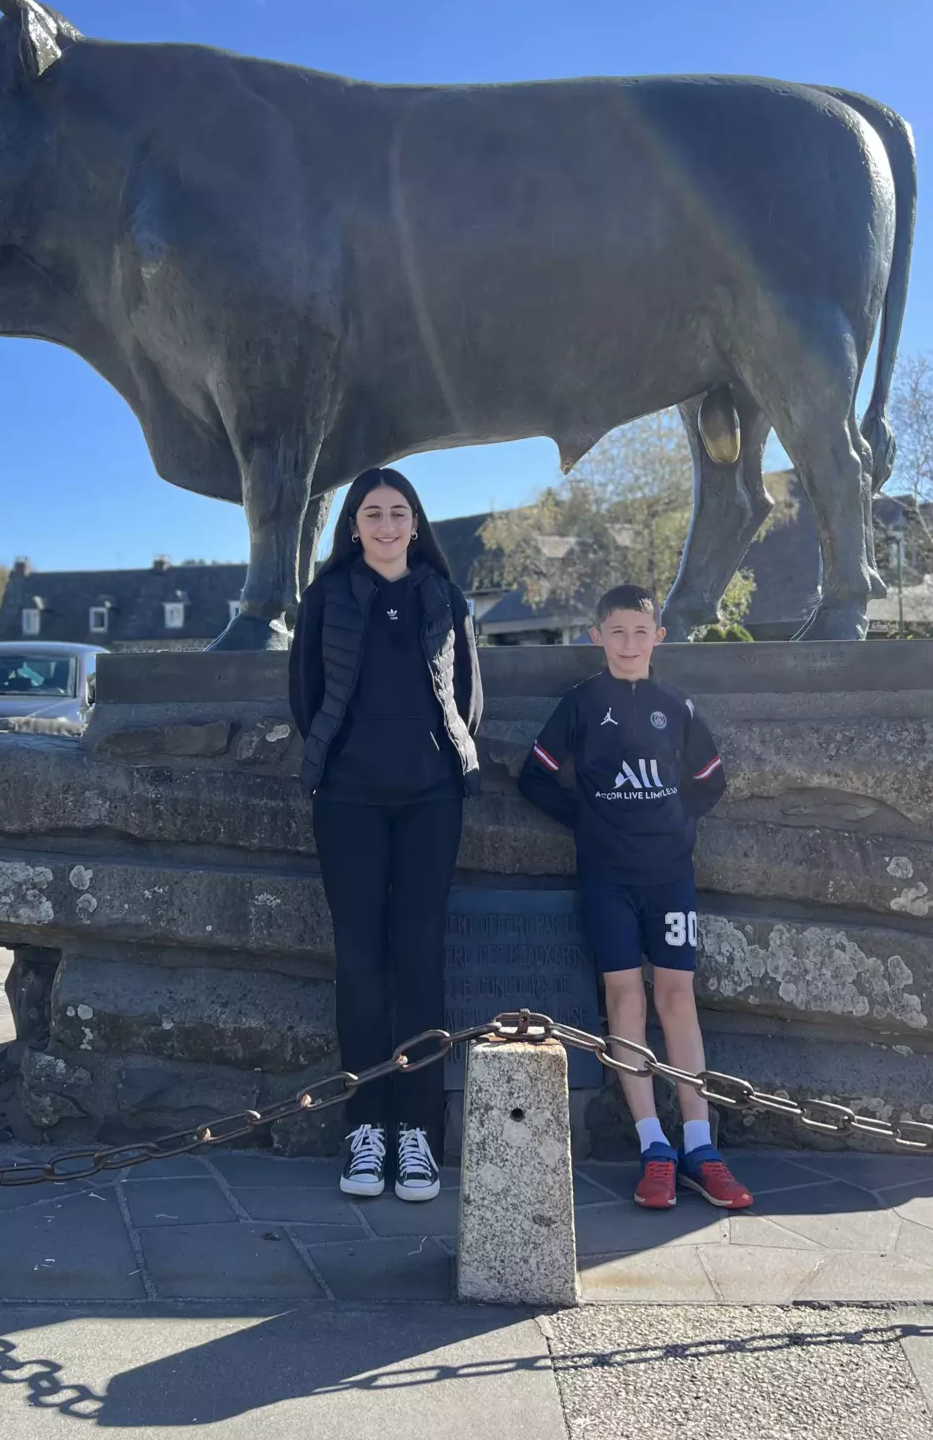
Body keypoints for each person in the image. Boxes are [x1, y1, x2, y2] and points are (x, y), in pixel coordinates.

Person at [517, 584, 753, 1212]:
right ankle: (654, 1147)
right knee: (624, 997)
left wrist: (679, 825)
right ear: (597, 637)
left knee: (676, 997)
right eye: (615, 632)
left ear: (658, 639)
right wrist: (587, 820)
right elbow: (534, 777)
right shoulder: (580, 704)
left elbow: (711, 780)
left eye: (639, 632)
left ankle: (700, 1146)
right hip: (606, 878)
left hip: (669, 875)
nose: (627, 643)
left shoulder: (675, 705)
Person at [289, 466, 482, 1202]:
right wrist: (337, 766)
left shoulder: (443, 595)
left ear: (416, 522)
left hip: (432, 802)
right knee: (361, 966)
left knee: (421, 963)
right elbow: (306, 694)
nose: (387, 525)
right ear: (353, 526)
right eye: (372, 513)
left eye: (399, 512)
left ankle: (418, 1136)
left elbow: (468, 694)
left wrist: (445, 763)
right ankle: (366, 1132)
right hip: (349, 803)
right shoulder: (328, 597)